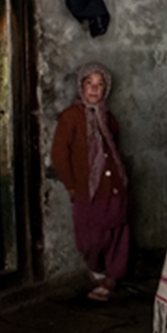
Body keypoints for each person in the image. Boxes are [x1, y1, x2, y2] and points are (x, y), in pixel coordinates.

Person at [51, 61, 130, 302]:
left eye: (100, 84)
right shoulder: (71, 117)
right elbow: (59, 155)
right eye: (89, 83)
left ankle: (111, 278)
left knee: (118, 233)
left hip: (115, 188)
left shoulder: (109, 118)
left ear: (106, 89)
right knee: (91, 238)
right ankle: (97, 270)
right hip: (88, 190)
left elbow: (114, 149)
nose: (94, 89)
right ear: (81, 86)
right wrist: (71, 185)